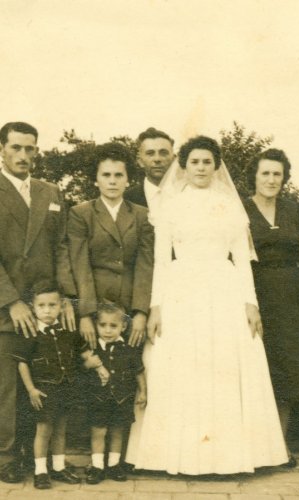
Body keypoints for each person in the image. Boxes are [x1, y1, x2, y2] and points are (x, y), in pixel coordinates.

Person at [126, 135, 288, 474]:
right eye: (194, 162)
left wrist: (250, 303)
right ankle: (178, 455)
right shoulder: (169, 205)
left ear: (216, 167)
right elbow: (160, 261)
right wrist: (156, 307)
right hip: (181, 290)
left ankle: (228, 455)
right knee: (184, 366)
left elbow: (242, 260)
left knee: (224, 365)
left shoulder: (229, 204)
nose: (201, 168)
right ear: (183, 166)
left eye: (207, 162)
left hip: (224, 290)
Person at [0, 122, 76, 484]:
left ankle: (39, 460)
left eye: (30, 149)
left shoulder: (51, 192)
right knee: (8, 388)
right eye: (16, 148)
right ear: (2, 149)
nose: (24, 156)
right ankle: (5, 459)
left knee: (47, 385)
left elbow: (61, 248)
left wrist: (66, 300)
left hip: (46, 309)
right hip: (8, 308)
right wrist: (12, 301)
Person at [243, 148, 299, 463]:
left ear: (284, 178)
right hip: (256, 295)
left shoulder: (294, 210)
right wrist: (246, 302)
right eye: (265, 173)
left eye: (277, 174)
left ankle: (280, 446)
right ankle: (253, 447)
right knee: (257, 369)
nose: (272, 179)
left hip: (291, 298)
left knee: (287, 372)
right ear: (255, 177)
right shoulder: (241, 209)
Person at [9, 284, 100, 489]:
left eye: (52, 305)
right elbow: (22, 363)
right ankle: (40, 471)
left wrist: (94, 364)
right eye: (41, 305)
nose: (47, 310)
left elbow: (83, 356)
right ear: (33, 307)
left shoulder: (68, 332)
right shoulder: (30, 334)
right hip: (44, 391)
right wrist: (31, 389)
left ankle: (58, 468)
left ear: (62, 306)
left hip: (66, 389)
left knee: (61, 429)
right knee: (43, 430)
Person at [67, 142, 154, 350]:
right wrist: (86, 314)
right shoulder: (81, 214)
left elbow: (146, 265)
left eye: (118, 175)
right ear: (96, 180)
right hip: (96, 306)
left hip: (129, 307)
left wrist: (141, 312)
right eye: (106, 175)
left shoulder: (142, 215)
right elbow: (80, 266)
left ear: (128, 179)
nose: (112, 181)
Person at [84, 303, 146, 485]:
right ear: (96, 325)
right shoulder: (93, 348)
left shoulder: (129, 349)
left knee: (118, 431)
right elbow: (82, 369)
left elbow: (139, 371)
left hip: (122, 398)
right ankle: (97, 466)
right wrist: (89, 364)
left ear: (123, 327)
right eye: (103, 325)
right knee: (98, 432)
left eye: (113, 326)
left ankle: (113, 465)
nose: (108, 331)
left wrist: (143, 391)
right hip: (98, 399)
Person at [124, 127, 176, 221]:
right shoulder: (126, 200)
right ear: (140, 161)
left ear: (173, 159)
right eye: (150, 153)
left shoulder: (188, 195)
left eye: (163, 153)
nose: (157, 159)